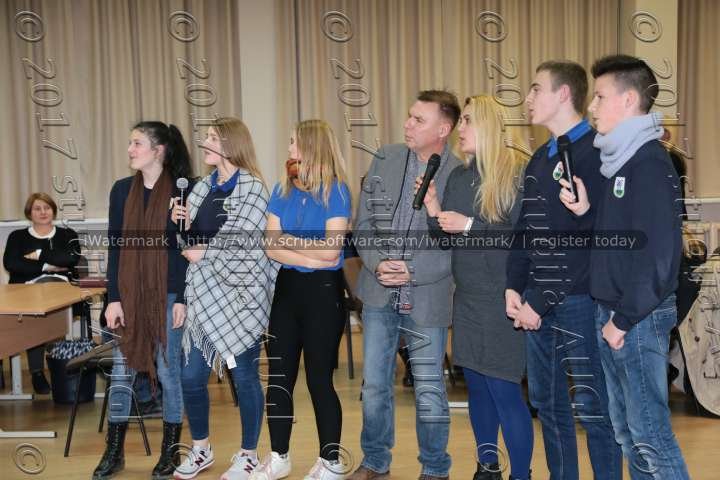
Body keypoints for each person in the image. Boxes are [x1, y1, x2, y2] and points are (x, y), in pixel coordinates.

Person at [559, 54, 690, 479]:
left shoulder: (648, 162)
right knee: (629, 434)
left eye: (600, 96)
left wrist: (623, 319)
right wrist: (587, 211)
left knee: (649, 435)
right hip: (617, 313)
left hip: (636, 317)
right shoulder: (620, 160)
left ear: (629, 99)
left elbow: (659, 256)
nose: (591, 106)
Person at [506, 61, 621, 480]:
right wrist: (514, 286)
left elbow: (587, 242)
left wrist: (538, 300)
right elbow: (525, 229)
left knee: (593, 407)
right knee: (548, 405)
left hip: (579, 299)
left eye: (536, 89)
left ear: (564, 94)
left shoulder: (598, 151)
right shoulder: (540, 158)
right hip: (537, 300)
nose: (527, 98)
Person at [348, 90, 461, 480]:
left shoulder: (459, 174)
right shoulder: (385, 159)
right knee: (375, 386)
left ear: (443, 129)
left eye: (419, 120)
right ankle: (375, 461)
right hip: (379, 290)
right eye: (410, 116)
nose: (408, 124)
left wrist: (412, 270)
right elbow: (363, 224)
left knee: (429, 388)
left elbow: (456, 245)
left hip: (427, 295)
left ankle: (435, 468)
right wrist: (379, 263)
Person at [423, 95, 532, 480]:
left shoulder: (516, 172)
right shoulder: (458, 177)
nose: (461, 129)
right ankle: (488, 467)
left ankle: (521, 474)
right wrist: (434, 210)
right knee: (478, 388)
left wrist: (469, 225)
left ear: (486, 124)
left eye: (468, 120)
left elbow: (522, 238)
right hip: (467, 298)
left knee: (504, 390)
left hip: (503, 298)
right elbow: (444, 238)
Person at [171, 117, 278, 480]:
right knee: (190, 377)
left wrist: (206, 253)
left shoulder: (253, 189)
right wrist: (180, 222)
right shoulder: (201, 188)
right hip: (204, 295)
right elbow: (187, 242)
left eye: (213, 138)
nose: (204, 142)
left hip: (241, 299)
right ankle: (201, 448)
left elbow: (249, 244)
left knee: (245, 376)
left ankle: (248, 454)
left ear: (231, 144)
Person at [250, 119, 352, 480]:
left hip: (323, 294)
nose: (290, 148)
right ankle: (279, 456)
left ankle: (331, 461)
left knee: (319, 380)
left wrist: (291, 243)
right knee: (279, 378)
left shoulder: (337, 191)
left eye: (294, 142)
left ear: (311, 146)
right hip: (288, 290)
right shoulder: (283, 189)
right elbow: (270, 245)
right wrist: (313, 254)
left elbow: (332, 250)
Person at [92, 121, 193, 480]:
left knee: (168, 371)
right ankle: (114, 452)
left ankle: (171, 450)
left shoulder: (184, 189)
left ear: (158, 150)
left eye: (137, 143)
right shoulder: (121, 190)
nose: (130, 149)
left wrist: (182, 298)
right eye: (130, 143)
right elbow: (115, 246)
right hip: (131, 295)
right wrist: (114, 298)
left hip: (170, 293)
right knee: (122, 371)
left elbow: (186, 250)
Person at [2, 192, 80, 394]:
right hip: (25, 291)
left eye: (47, 208)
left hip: (59, 289)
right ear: (29, 213)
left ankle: (48, 371)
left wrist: (37, 254)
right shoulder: (17, 237)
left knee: (44, 310)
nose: (43, 212)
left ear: (53, 211)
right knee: (31, 318)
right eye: (37, 208)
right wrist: (46, 266)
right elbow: (11, 263)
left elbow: (70, 259)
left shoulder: (67, 234)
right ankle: (37, 373)